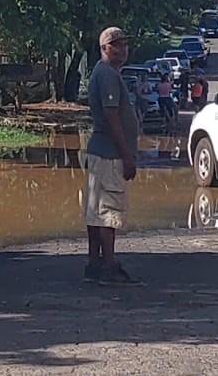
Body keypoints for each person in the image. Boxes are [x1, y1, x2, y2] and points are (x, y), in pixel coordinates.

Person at [83, 26, 141, 285]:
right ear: (105, 48)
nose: (123, 50)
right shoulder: (106, 74)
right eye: (117, 45)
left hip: (101, 152)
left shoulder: (105, 72)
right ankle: (109, 264)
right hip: (109, 153)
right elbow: (111, 115)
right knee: (108, 211)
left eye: (125, 45)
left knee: (96, 210)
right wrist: (126, 155)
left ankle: (95, 263)